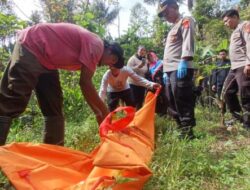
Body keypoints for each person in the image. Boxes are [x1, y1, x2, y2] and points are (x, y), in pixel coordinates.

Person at [0, 22, 125, 146]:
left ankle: (54, 155)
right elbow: (85, 83)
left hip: (47, 61)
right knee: (13, 100)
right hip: (33, 45)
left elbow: (86, 86)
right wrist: (104, 111)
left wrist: (98, 113)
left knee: (53, 106)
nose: (108, 66)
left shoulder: (93, 46)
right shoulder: (97, 46)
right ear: (112, 55)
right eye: (111, 62)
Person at [158, 0, 196, 139]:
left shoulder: (185, 20)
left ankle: (188, 131)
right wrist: (165, 71)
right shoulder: (172, 28)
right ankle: (180, 127)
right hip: (170, 70)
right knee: (171, 100)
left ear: (175, 7)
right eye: (163, 14)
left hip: (180, 67)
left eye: (166, 12)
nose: (165, 16)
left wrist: (185, 60)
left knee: (182, 99)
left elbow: (188, 40)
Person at [221, 9, 250, 129]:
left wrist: (249, 63)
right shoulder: (234, 32)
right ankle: (237, 117)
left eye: (227, 21)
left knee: (246, 94)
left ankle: (248, 123)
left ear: (234, 17)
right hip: (234, 68)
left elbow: (249, 43)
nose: (226, 24)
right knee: (227, 92)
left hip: (243, 65)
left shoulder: (245, 25)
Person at [127, 45, 149, 110]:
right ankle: (132, 116)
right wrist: (138, 66)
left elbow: (146, 70)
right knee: (133, 101)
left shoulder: (146, 60)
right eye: (141, 50)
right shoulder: (132, 59)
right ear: (137, 51)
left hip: (142, 83)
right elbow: (128, 70)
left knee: (140, 101)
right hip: (133, 83)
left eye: (144, 50)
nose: (142, 52)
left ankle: (139, 117)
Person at [147, 51, 168, 116]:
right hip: (152, 84)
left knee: (164, 97)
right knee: (155, 98)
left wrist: (165, 73)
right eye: (149, 57)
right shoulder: (148, 65)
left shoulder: (161, 62)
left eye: (152, 56)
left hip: (161, 82)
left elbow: (166, 69)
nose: (151, 58)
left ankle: (164, 112)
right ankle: (157, 111)